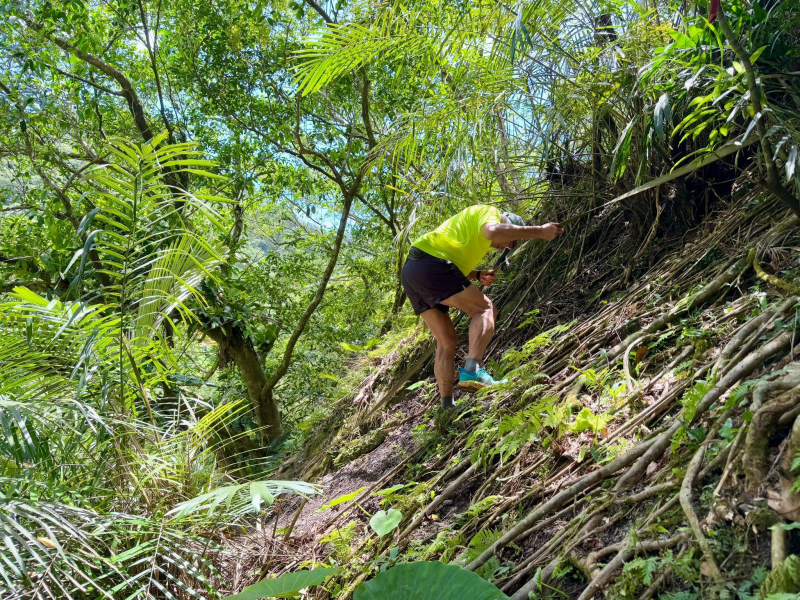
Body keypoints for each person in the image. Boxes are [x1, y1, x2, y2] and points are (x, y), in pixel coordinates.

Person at [401, 205, 564, 409]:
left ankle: (446, 406)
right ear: (507, 224)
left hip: (413, 271)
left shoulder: (472, 232)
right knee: (485, 309)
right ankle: (473, 371)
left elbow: (452, 260)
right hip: (430, 263)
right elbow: (493, 231)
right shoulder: (491, 213)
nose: (506, 247)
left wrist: (476, 275)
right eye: (511, 241)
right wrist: (540, 231)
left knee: (446, 342)